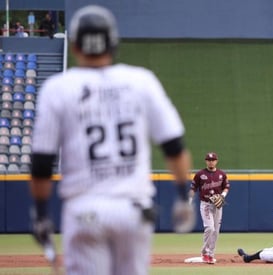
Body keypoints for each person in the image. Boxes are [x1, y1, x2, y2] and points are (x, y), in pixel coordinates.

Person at [28, 5, 195, 275]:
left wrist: (40, 211)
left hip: (84, 210)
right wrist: (179, 194)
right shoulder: (141, 81)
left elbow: (42, 162)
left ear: (74, 46)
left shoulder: (57, 89)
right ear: (113, 44)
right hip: (134, 209)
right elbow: (174, 145)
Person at [188, 152, 230, 264]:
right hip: (205, 204)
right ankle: (204, 252)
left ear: (216, 161)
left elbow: (226, 187)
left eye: (213, 160)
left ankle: (211, 254)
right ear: (206, 161)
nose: (211, 161)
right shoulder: (200, 174)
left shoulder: (222, 174)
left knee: (216, 230)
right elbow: (193, 188)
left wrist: (223, 195)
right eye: (209, 160)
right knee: (210, 228)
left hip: (217, 205)